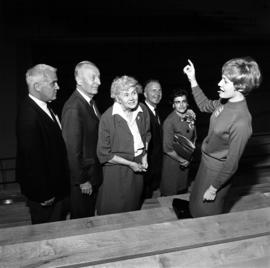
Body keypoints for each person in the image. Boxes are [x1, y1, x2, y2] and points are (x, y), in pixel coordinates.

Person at [183, 57, 262, 217]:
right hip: (205, 162)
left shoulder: (242, 122)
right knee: (194, 202)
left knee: (205, 212)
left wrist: (214, 188)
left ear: (240, 87)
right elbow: (204, 105)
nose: (219, 83)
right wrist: (193, 80)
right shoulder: (225, 101)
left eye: (225, 81)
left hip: (217, 171)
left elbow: (232, 164)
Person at [16, 64, 70, 224]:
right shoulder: (28, 115)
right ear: (37, 86)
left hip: (56, 190)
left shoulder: (46, 107)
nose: (58, 87)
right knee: (47, 239)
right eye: (54, 83)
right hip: (46, 196)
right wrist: (43, 194)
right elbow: (31, 158)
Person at [97, 75, 151, 215]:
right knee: (115, 208)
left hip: (138, 165)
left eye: (133, 93)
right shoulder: (108, 118)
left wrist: (144, 155)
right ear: (117, 97)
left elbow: (147, 135)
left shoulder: (143, 110)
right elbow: (104, 154)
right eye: (126, 94)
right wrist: (130, 164)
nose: (132, 98)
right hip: (117, 171)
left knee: (133, 206)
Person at [61, 61, 102, 219]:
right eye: (93, 78)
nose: (98, 82)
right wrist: (82, 180)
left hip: (92, 176)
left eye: (98, 77)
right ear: (79, 81)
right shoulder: (74, 107)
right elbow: (72, 150)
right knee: (81, 222)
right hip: (85, 181)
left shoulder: (90, 103)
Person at [160, 90, 196, 196]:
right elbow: (167, 149)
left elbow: (193, 135)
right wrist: (182, 161)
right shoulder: (169, 122)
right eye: (177, 102)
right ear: (173, 105)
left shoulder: (189, 116)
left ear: (187, 103)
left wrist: (189, 154)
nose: (181, 105)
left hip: (186, 158)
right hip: (173, 161)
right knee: (170, 191)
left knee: (182, 189)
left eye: (184, 101)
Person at [142, 80, 163, 199]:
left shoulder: (155, 111)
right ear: (145, 94)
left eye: (159, 90)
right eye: (153, 90)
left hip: (154, 167)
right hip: (146, 167)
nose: (157, 93)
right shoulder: (142, 111)